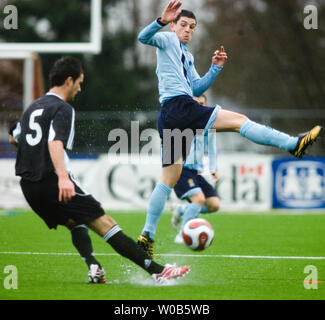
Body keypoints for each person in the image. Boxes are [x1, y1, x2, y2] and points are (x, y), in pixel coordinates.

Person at [136, 0, 322, 258]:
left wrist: (215, 68)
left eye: (192, 27)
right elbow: (142, 37)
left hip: (170, 114)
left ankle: (147, 236)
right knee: (239, 121)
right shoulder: (166, 40)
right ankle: (293, 144)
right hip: (179, 107)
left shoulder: (186, 56)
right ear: (174, 25)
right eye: (183, 25)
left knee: (168, 179)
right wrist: (162, 20)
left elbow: (197, 89)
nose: (188, 30)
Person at [9, 56, 190, 284]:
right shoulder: (62, 108)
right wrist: (63, 178)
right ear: (69, 80)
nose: (80, 88)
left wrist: (32, 155)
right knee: (106, 224)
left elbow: (14, 135)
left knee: (76, 221)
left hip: (29, 187)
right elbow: (54, 143)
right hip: (52, 180)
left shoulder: (32, 108)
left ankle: (93, 266)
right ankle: (158, 272)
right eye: (79, 82)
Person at [171, 95, 220, 244]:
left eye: (202, 103)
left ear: (206, 105)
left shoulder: (208, 125)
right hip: (181, 169)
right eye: (196, 103)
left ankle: (182, 210)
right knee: (199, 199)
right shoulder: (183, 121)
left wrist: (213, 168)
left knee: (214, 205)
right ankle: (182, 233)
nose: (199, 106)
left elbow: (212, 149)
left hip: (196, 172)